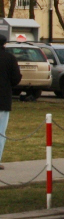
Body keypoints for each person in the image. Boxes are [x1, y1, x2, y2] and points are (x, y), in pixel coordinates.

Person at [0, 34, 23, 170]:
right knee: (1, 131)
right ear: (5, 44)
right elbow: (15, 79)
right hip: (3, 99)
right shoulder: (9, 59)